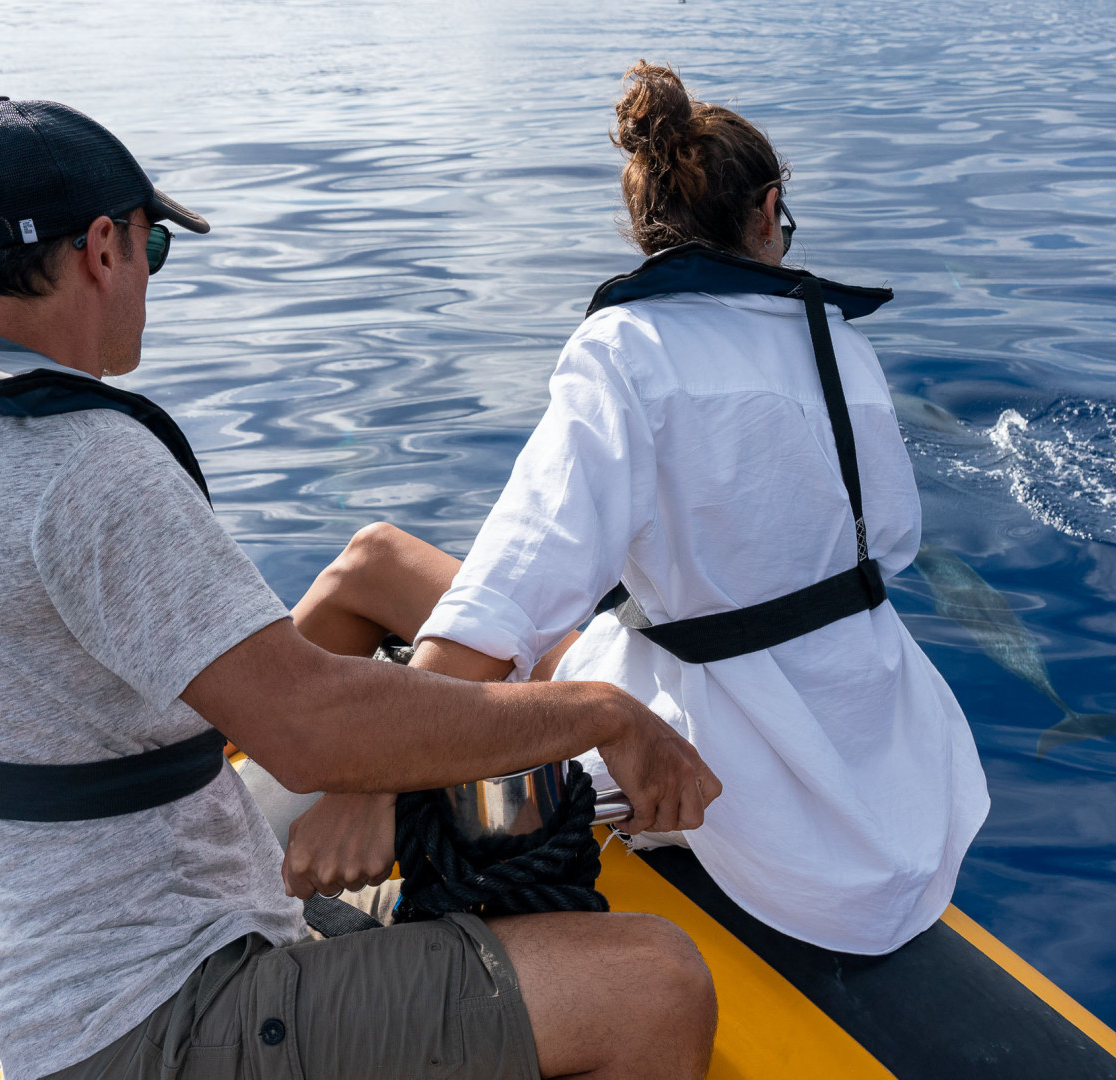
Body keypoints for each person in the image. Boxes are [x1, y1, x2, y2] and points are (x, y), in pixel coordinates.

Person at [0, 97, 720, 1080]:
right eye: (154, 252)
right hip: (165, 1009)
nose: (147, 283)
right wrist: (598, 713)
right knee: (654, 979)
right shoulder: (82, 461)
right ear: (103, 248)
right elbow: (309, 726)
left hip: (56, 996)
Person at [293, 62, 990, 956]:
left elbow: (509, 592)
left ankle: (197, 782)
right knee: (387, 561)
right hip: (887, 779)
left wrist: (372, 776)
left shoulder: (626, 350)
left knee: (373, 563)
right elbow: (890, 545)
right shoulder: (841, 346)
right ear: (767, 208)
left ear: (645, 229)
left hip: (720, 779)